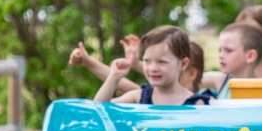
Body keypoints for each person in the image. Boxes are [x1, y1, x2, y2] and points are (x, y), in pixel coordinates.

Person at [94, 26, 208, 105]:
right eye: (147, 61)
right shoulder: (139, 97)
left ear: (183, 64)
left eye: (162, 62)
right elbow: (98, 109)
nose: (153, 68)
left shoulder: (197, 104)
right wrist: (114, 77)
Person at [69, 37, 206, 95]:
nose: (155, 70)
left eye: (163, 62)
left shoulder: (203, 103)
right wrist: (89, 62)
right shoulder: (153, 97)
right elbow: (119, 82)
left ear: (188, 70)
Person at [201, 23, 262, 99]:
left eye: (228, 50)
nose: (220, 55)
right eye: (220, 50)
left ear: (250, 56)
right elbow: (188, 78)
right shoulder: (220, 81)